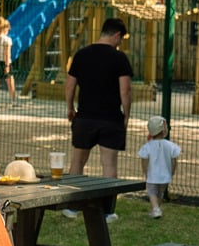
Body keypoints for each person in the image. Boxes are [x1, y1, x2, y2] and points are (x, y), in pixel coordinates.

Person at [63, 17, 132, 223]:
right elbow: (125, 90)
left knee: (77, 162)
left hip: (85, 117)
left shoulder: (82, 55)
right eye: (121, 39)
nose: (121, 43)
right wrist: (126, 115)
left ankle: (72, 207)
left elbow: (70, 85)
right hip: (110, 118)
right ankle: (107, 210)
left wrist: (70, 108)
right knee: (109, 165)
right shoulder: (120, 59)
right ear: (117, 35)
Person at [138, 116, 180, 219]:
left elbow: (144, 160)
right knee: (160, 193)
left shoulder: (147, 146)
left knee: (152, 192)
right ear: (163, 130)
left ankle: (156, 209)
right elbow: (174, 161)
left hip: (152, 175)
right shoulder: (171, 146)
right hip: (165, 176)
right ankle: (156, 209)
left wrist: (145, 171)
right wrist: (172, 171)